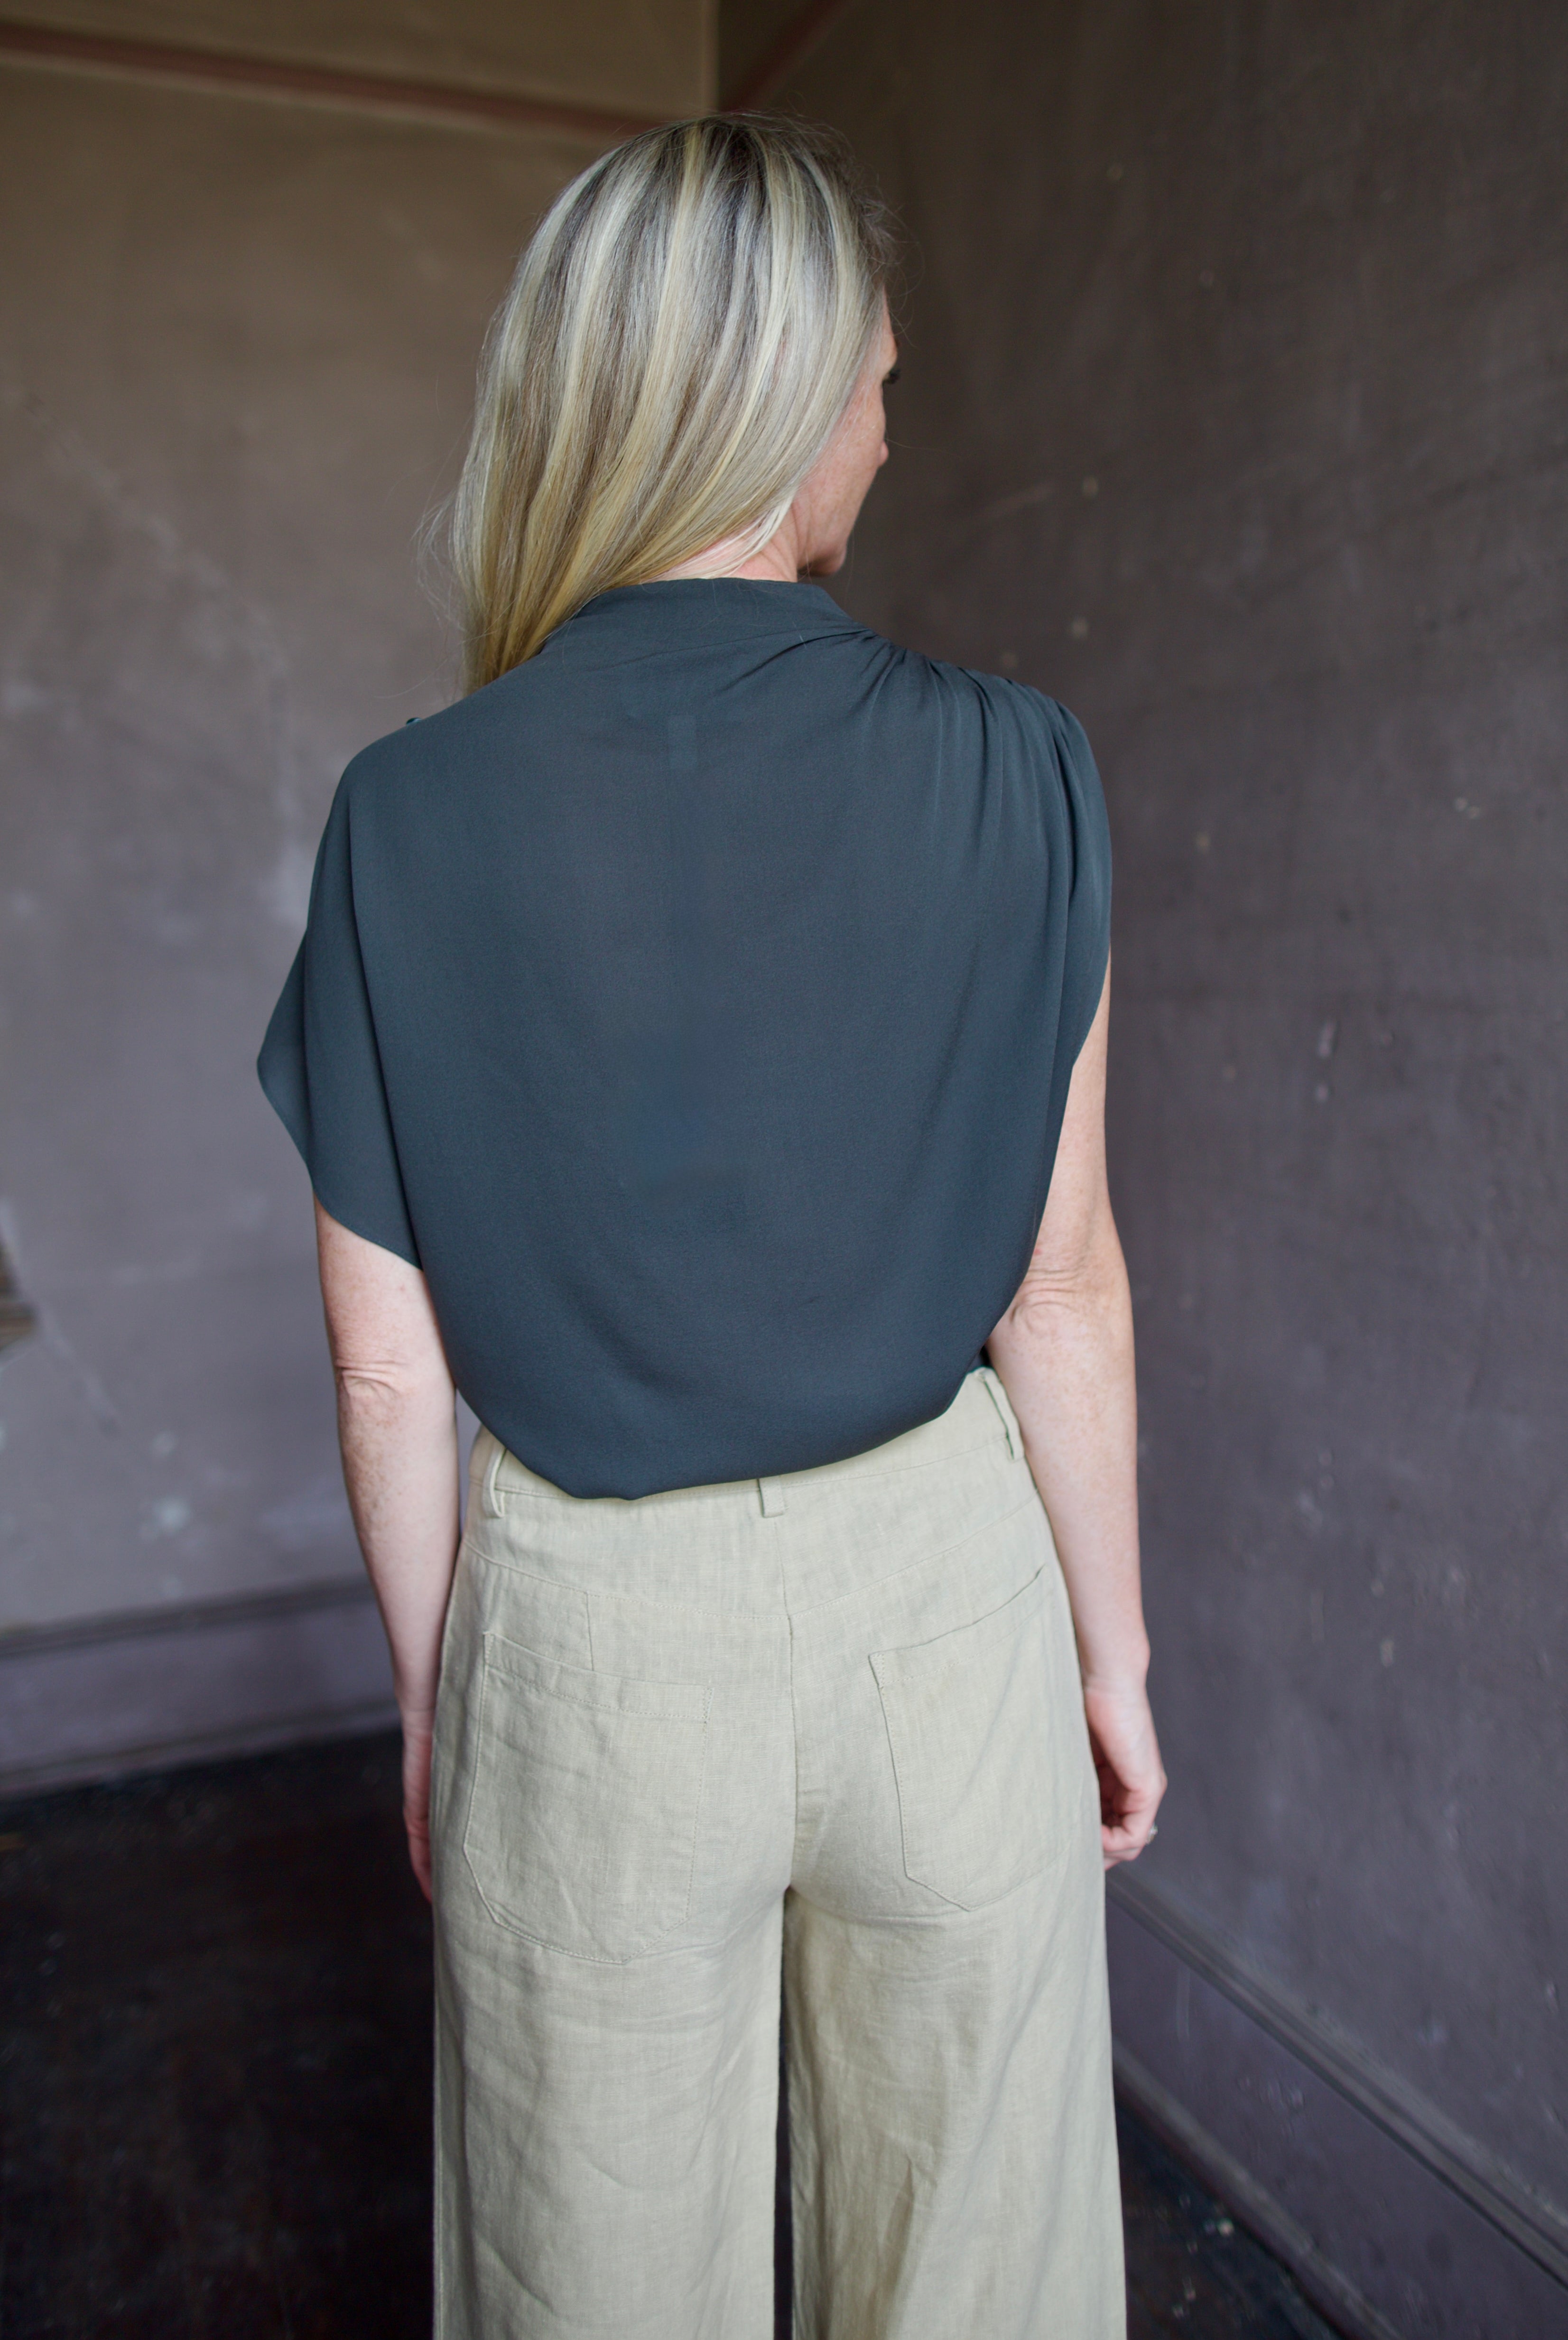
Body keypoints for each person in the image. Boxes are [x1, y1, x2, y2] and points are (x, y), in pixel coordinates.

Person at [259, 113, 1164, 2340]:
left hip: (590, 1647)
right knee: (978, 2280)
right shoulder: (1021, 765)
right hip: (948, 1613)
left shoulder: (401, 813)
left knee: (586, 2288)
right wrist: (1109, 1656)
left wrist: (437, 1702)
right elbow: (1057, 1288)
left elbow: (384, 1365)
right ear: (778, 401)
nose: (889, 426)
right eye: (875, 379)